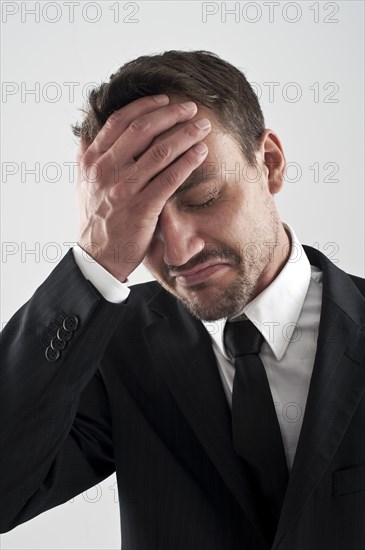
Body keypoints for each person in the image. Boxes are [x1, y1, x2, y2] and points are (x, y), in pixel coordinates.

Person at [1, 50, 364, 550]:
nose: (179, 250)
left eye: (205, 198)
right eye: (143, 219)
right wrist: (95, 260)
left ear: (271, 165)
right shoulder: (111, 348)